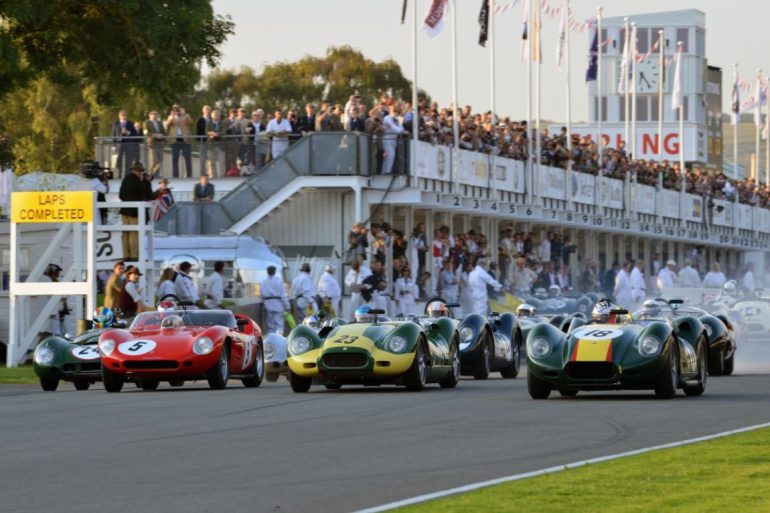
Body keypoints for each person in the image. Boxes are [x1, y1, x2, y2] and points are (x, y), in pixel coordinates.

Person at [118, 161, 154, 261]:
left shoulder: (126, 179)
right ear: (139, 172)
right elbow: (146, 194)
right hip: (135, 212)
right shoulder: (138, 181)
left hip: (125, 211)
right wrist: (146, 182)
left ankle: (126, 255)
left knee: (126, 234)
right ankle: (134, 256)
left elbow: (121, 195)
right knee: (134, 234)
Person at [260, 265, 290, 334]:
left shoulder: (263, 282)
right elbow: (283, 295)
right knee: (279, 324)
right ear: (274, 272)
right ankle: (279, 341)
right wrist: (287, 306)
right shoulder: (279, 281)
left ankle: (271, 341)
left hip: (267, 305)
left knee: (270, 326)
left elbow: (261, 295)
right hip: (278, 304)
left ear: (267, 272)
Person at [166, 104, 193, 178]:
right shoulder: (171, 116)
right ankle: (175, 176)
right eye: (175, 109)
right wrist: (172, 116)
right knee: (175, 160)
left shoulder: (186, 116)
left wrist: (185, 115)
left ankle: (189, 176)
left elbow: (190, 122)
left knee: (187, 159)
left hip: (185, 140)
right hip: (175, 141)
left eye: (177, 109)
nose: (176, 110)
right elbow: (168, 124)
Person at [112, 110, 139, 177]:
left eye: (125, 115)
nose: (123, 116)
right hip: (119, 144)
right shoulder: (116, 123)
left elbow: (135, 133)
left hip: (128, 144)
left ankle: (127, 175)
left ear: (127, 116)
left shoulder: (130, 123)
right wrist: (113, 145)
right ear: (119, 116)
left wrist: (128, 133)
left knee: (129, 160)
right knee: (119, 160)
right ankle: (119, 175)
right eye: (122, 115)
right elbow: (113, 134)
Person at [381, 104, 404, 174]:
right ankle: (388, 171)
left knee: (387, 157)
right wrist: (401, 130)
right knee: (391, 154)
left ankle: (383, 172)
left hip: (393, 141)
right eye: (394, 110)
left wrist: (401, 127)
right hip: (386, 140)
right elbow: (395, 128)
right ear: (390, 111)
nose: (395, 112)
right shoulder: (387, 118)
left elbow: (401, 128)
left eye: (397, 111)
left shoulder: (397, 119)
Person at [143, 110, 166, 176]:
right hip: (152, 143)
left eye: (155, 114)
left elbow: (163, 131)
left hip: (160, 143)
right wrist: (155, 135)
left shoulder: (159, 123)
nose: (154, 115)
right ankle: (151, 173)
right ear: (149, 115)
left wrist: (162, 135)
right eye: (152, 114)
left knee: (160, 160)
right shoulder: (146, 122)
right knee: (154, 160)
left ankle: (156, 174)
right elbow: (146, 132)